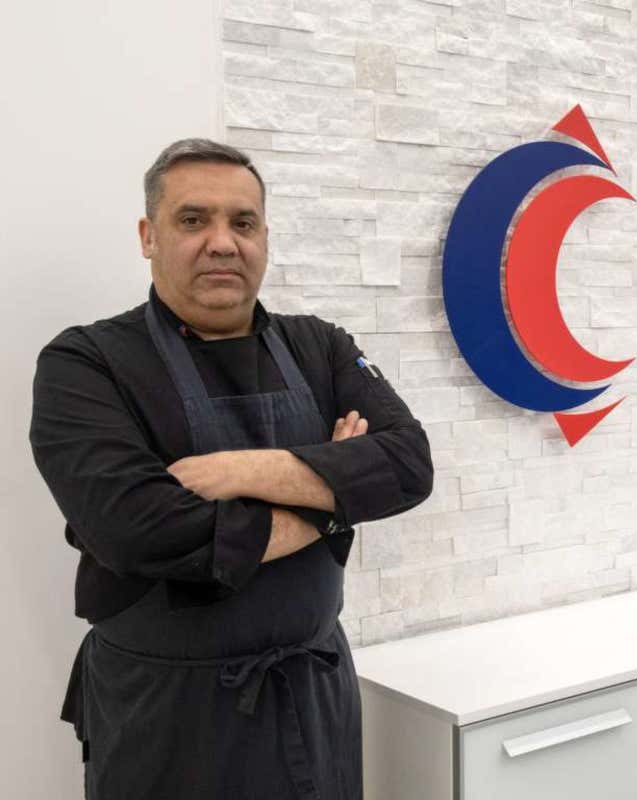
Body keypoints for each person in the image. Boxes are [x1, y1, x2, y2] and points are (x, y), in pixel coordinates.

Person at [28, 138, 434, 799]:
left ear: (264, 237)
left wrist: (245, 470)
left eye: (243, 222)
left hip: (314, 695)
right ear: (148, 236)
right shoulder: (86, 364)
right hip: (165, 716)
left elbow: (409, 464)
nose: (222, 242)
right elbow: (139, 530)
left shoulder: (320, 345)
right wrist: (331, 504)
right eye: (193, 219)